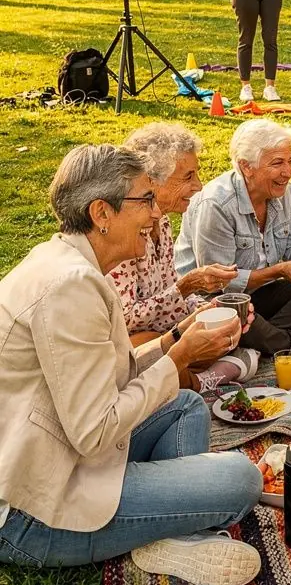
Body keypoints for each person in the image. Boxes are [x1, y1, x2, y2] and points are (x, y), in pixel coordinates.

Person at [0, 145, 262, 585]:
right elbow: (95, 430)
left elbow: (107, 378)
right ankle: (178, 530)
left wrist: (175, 339)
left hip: (66, 451)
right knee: (241, 478)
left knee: (183, 405)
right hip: (33, 510)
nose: (157, 214)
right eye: (146, 200)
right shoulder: (69, 286)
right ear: (101, 212)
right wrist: (179, 359)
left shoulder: (67, 262)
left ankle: (170, 531)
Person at [175, 119, 291, 356]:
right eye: (278, 163)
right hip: (215, 302)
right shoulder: (215, 204)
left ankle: (260, 339)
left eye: (290, 161)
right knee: (236, 317)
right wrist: (277, 272)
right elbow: (219, 284)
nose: (288, 172)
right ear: (246, 167)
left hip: (260, 295)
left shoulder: (287, 193)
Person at [109, 123, 258, 392]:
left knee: (219, 330)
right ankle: (201, 381)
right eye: (188, 176)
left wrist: (210, 309)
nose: (198, 186)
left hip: (164, 329)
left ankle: (196, 373)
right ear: (153, 180)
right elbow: (125, 319)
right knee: (153, 347)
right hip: (128, 343)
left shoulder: (163, 222)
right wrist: (186, 286)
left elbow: (169, 291)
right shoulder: (124, 230)